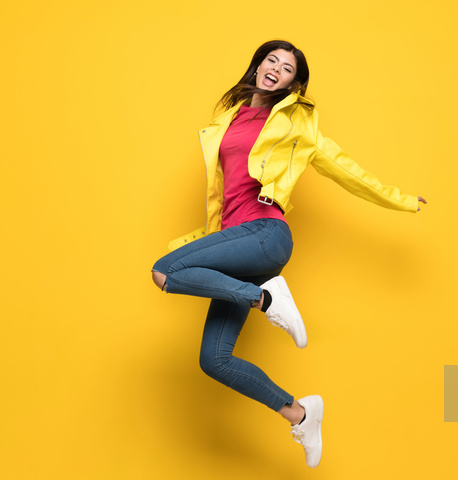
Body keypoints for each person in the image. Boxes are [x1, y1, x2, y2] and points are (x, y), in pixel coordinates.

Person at [151, 40, 426, 469]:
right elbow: (221, 195)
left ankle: (266, 299)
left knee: (164, 271)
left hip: (265, 234)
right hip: (236, 243)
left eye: (286, 68)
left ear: (293, 83)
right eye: (270, 61)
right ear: (258, 66)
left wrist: (401, 200)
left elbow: (343, 166)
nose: (275, 69)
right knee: (215, 360)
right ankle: (299, 413)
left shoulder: (297, 122)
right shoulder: (229, 119)